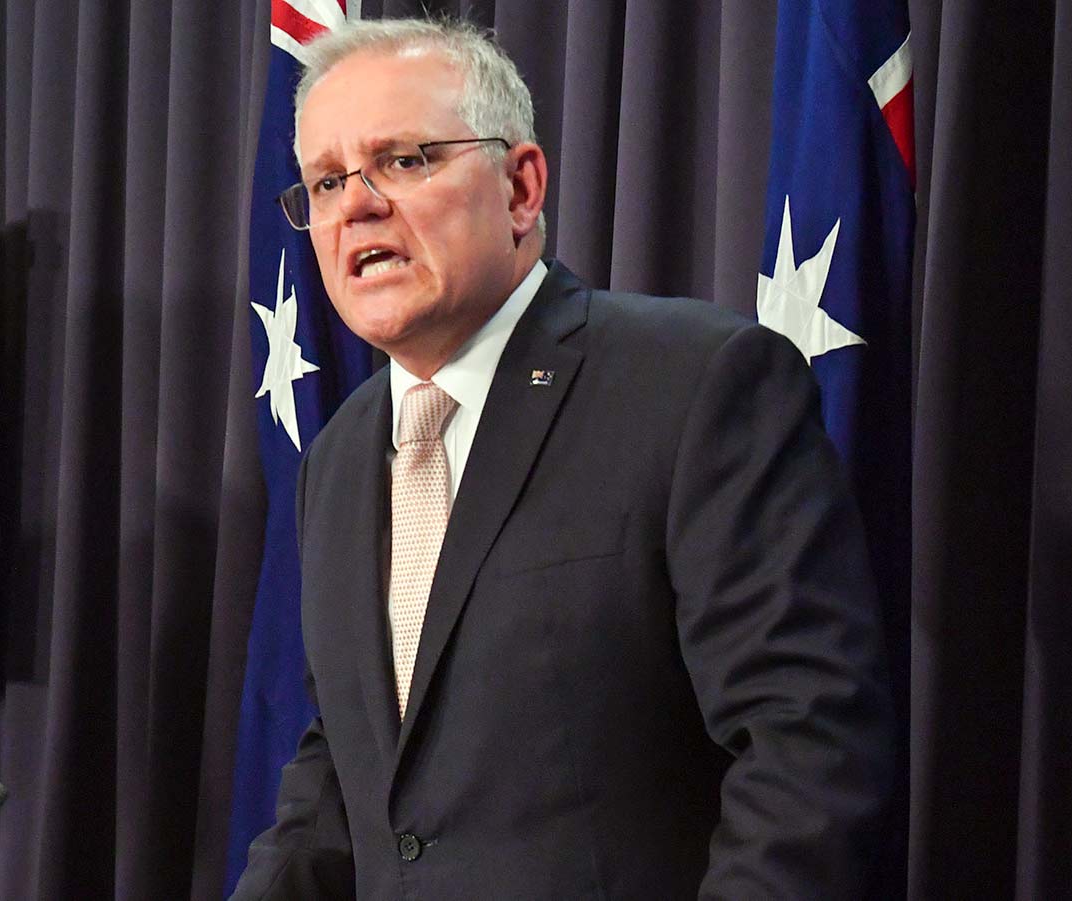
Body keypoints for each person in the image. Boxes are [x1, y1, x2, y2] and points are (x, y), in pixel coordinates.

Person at [232, 19, 895, 899]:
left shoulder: (694, 385)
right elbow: (339, 777)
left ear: (520, 186)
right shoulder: (340, 458)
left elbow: (806, 745)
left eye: (403, 160)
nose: (356, 205)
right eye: (325, 180)